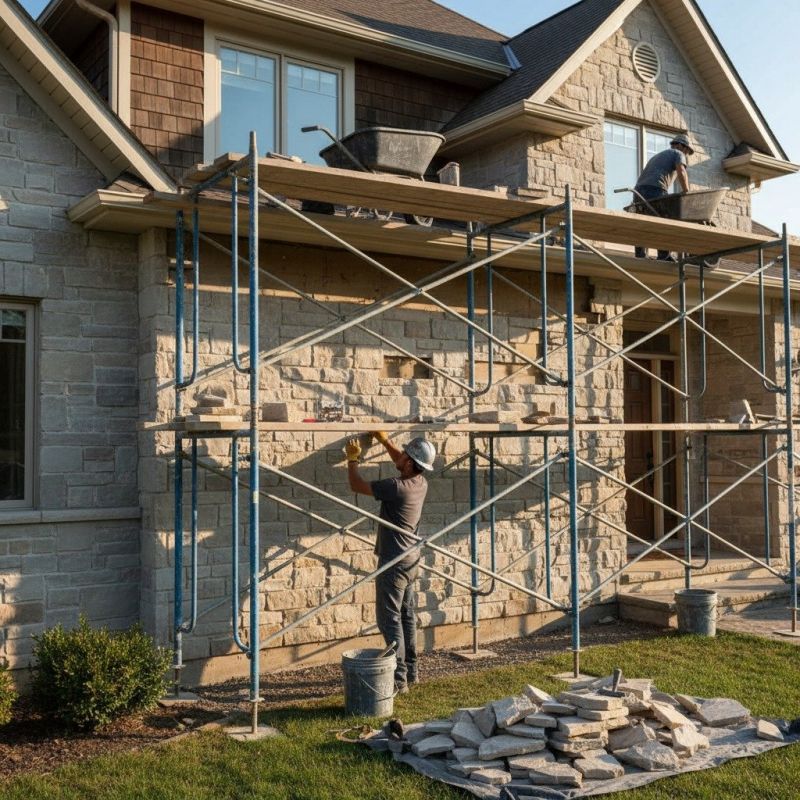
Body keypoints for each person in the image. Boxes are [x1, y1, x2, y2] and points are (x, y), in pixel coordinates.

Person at [345, 431, 436, 693]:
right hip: (411, 559)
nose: (401, 455)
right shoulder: (420, 482)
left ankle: (398, 679)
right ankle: (411, 671)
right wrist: (385, 441)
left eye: (405, 454)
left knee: (389, 619)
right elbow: (402, 460)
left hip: (394, 562)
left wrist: (353, 459)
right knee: (406, 616)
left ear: (410, 463)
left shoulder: (395, 487)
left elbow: (356, 485)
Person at [633, 133, 694, 261]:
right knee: (665, 220)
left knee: (643, 223)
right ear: (681, 146)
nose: (686, 155)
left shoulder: (658, 156)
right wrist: (686, 191)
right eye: (687, 151)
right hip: (655, 190)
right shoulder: (678, 153)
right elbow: (681, 171)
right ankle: (664, 255)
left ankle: (640, 255)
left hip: (638, 191)